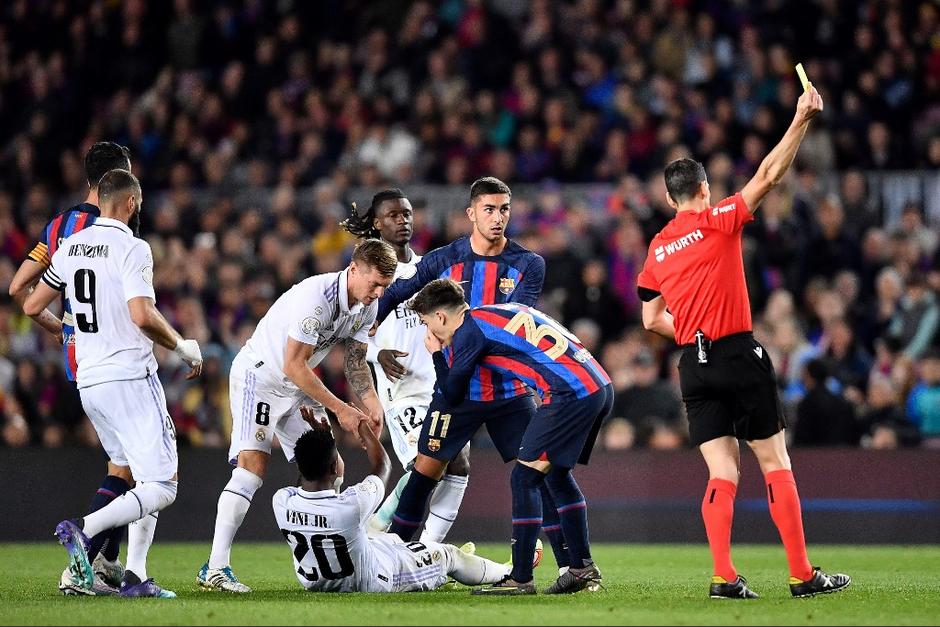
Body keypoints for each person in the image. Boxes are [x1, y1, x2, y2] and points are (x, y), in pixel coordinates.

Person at [636, 84, 850, 599]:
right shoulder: (719, 220)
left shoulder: (659, 248)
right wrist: (801, 117)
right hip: (736, 352)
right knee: (775, 462)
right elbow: (772, 174)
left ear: (669, 198)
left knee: (721, 471)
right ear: (704, 190)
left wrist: (689, 329)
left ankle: (723, 576)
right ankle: (801, 575)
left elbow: (649, 318)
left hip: (695, 362)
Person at [373, 177, 569, 577]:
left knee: (541, 474)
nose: (498, 218)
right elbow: (400, 290)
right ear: (471, 213)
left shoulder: (528, 264)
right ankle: (395, 563)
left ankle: (570, 567)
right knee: (423, 475)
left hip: (508, 392)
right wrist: (368, 326)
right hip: (457, 392)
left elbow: (515, 321)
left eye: (504, 210)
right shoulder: (444, 260)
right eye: (489, 209)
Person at [24, 169, 204, 599]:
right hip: (128, 376)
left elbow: (31, 303)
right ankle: (84, 530)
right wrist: (183, 347)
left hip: (90, 381)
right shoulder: (133, 247)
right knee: (164, 485)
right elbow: (142, 315)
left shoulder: (69, 247)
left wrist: (66, 332)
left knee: (137, 476)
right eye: (138, 204)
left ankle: (136, 577)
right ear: (129, 204)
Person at [197, 238, 397, 593]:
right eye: (375, 283)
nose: (378, 292)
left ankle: (333, 557)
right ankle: (215, 568)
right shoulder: (315, 299)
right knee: (252, 468)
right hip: (261, 377)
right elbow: (292, 364)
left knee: (332, 466)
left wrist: (371, 401)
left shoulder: (366, 306)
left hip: (297, 386)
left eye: (385, 286)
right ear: (353, 270)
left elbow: (354, 360)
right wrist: (341, 409)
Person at [408, 279, 613, 595]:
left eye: (427, 324)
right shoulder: (503, 310)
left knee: (524, 479)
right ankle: (581, 567)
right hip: (598, 384)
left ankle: (520, 578)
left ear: (440, 317)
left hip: (568, 394)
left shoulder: (468, 331)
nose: (431, 334)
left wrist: (437, 355)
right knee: (555, 477)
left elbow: (451, 395)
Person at [9, 142, 136, 595]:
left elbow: (19, 290)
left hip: (79, 361)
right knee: (129, 471)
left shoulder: (60, 226)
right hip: (114, 359)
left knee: (124, 465)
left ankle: (105, 562)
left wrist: (67, 329)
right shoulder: (114, 228)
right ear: (116, 181)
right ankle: (90, 558)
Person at [340, 189, 468, 544]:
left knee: (458, 464)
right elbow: (351, 334)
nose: (403, 221)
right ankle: (379, 528)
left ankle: (428, 549)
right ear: (378, 223)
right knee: (428, 465)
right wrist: (375, 353)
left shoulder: (427, 267)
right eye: (394, 216)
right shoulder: (370, 277)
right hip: (402, 390)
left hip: (440, 383)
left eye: (408, 214)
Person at [273, 406, 514, 593]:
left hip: (316, 581)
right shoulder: (352, 505)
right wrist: (362, 426)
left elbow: (314, 479)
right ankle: (510, 572)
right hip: (374, 577)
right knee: (448, 555)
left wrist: (323, 442)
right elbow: (383, 465)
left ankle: (429, 557)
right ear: (335, 468)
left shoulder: (281, 501)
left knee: (390, 539)